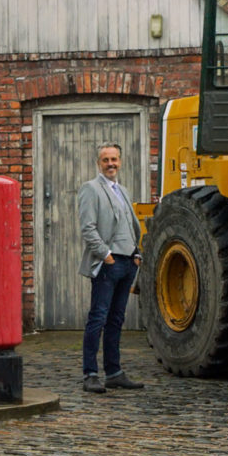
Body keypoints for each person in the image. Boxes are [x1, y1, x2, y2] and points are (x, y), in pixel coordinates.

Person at [75, 143, 146, 395]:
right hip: (108, 263)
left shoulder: (122, 191)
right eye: (105, 160)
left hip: (128, 262)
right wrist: (106, 255)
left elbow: (130, 224)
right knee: (98, 317)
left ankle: (114, 372)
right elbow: (88, 228)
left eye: (114, 159)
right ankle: (90, 374)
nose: (110, 164)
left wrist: (136, 253)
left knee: (116, 319)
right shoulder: (90, 189)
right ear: (98, 163)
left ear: (121, 161)